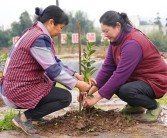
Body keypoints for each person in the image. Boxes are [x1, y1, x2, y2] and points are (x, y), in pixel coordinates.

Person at [0, 5, 90, 135]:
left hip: (13, 86)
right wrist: (78, 84)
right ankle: (24, 118)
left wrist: (74, 74)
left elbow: (53, 60)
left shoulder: (34, 32)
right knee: (64, 97)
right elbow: (53, 70)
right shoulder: (39, 39)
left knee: (49, 83)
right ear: (51, 22)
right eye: (60, 28)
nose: (60, 32)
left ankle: (34, 116)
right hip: (16, 90)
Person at [83, 10, 167, 122]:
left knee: (125, 90)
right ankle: (135, 106)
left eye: (106, 31)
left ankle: (153, 107)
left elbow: (120, 75)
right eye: (103, 32)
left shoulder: (132, 43)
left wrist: (96, 99)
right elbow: (107, 68)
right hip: (139, 79)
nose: (105, 35)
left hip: (155, 81)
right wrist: (89, 92)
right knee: (115, 85)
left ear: (117, 26)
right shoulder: (115, 41)